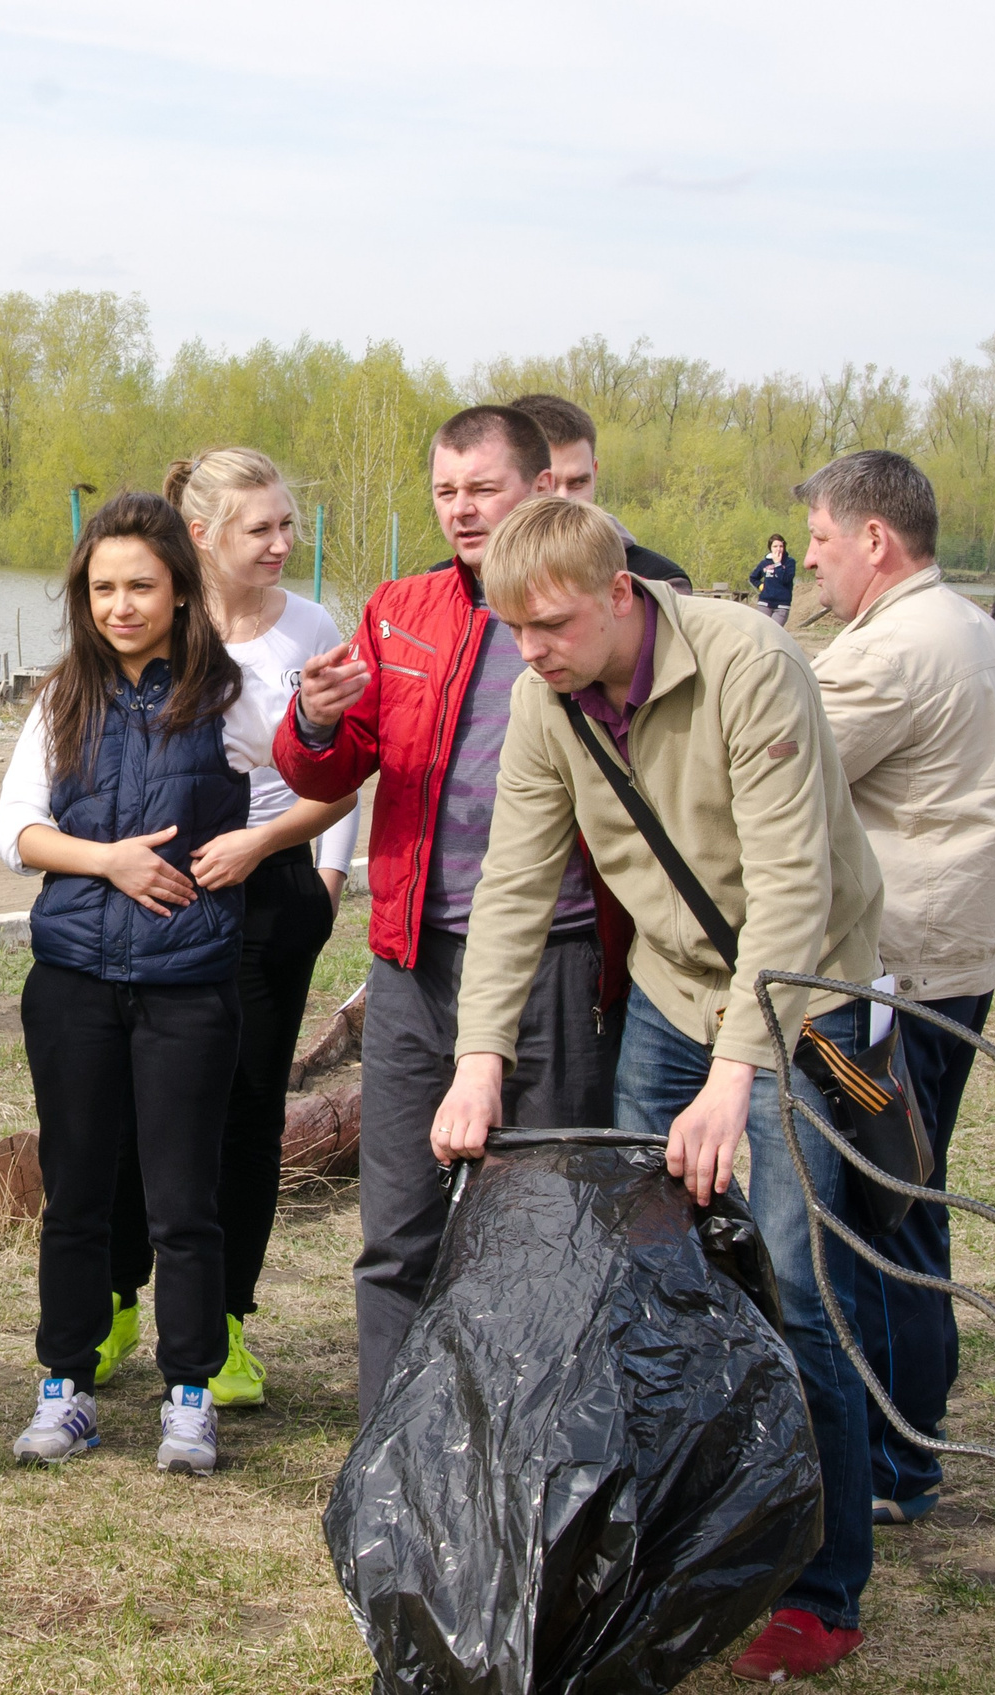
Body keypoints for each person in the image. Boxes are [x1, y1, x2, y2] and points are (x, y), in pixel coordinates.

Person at [424, 494, 885, 1683]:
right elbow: (513, 884)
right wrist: (479, 1064)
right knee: (650, 1290)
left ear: (620, 594)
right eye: (511, 630)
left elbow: (790, 890)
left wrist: (736, 1078)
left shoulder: (749, 659)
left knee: (796, 1288)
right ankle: (683, 1533)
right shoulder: (544, 698)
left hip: (794, 1007)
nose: (532, 652)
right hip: (676, 1004)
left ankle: (824, 1587)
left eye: (554, 625)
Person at [274, 405, 633, 1421]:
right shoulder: (400, 610)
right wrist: (314, 716)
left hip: (554, 960)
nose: (462, 510)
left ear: (539, 487)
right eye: (444, 492)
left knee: (544, 1227)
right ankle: (398, 1450)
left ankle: (530, 1451)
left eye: (481, 488)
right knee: (397, 1232)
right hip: (415, 961)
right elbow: (326, 769)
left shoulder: (588, 616)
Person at [0, 492, 268, 1473]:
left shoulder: (232, 699)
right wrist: (104, 859)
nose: (120, 604)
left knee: (182, 1199)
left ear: (181, 592)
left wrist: (258, 845)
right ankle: (63, 1388)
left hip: (188, 987)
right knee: (76, 1196)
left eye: (140, 586)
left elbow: (305, 790)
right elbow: (12, 833)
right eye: (103, 587)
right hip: (72, 983)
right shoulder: (62, 694)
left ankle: (188, 1395)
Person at [91, 450, 361, 1409]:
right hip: (168, 885)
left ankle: (226, 1325)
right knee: (138, 1107)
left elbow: (340, 767)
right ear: (201, 535)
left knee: (248, 1114)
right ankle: (117, 1298)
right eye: (263, 528)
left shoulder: (313, 631)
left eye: (288, 523)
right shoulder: (159, 621)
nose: (284, 542)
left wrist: (318, 875)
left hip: (272, 885)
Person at [799, 451, 995, 1529]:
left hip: (893, 971)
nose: (811, 565)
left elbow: (778, 776)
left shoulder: (889, 651)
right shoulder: (974, 628)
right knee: (911, 1200)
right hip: (951, 959)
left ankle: (891, 1461)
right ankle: (906, 1449)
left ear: (874, 541)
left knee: (880, 1210)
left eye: (821, 543)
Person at [506, 392, 694, 591]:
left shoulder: (656, 585)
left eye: (578, 483)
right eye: (545, 486)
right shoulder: (473, 577)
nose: (562, 499)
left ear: (594, 474)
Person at [751, 533, 798, 625]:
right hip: (765, 603)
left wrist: (777, 564)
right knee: (763, 629)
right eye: (775, 546)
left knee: (774, 632)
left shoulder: (789, 562)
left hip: (782, 605)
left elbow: (786, 579)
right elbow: (753, 577)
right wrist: (760, 586)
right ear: (770, 548)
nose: (778, 549)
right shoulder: (764, 563)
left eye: (781, 546)